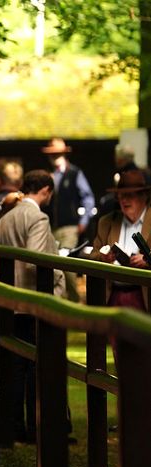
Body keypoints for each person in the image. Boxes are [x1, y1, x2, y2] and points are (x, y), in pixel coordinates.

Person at [0, 170, 66, 444]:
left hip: (10, 297)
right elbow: (36, 261)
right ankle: (37, 427)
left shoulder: (7, 217)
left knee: (15, 366)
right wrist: (59, 274)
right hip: (32, 300)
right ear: (46, 190)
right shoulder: (37, 217)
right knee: (36, 366)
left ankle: (12, 427)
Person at [86, 169, 151, 363]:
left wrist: (148, 260)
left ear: (144, 196)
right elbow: (92, 254)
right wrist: (103, 257)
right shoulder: (107, 222)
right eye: (121, 196)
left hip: (144, 296)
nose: (124, 200)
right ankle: (125, 393)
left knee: (145, 355)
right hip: (114, 294)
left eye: (129, 195)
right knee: (120, 356)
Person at [42, 137, 95, 301]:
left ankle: (73, 301)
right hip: (52, 227)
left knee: (67, 264)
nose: (54, 156)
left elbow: (88, 198)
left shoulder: (74, 173)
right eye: (52, 153)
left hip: (69, 227)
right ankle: (61, 301)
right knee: (55, 265)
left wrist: (83, 221)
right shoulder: (48, 175)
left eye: (57, 153)